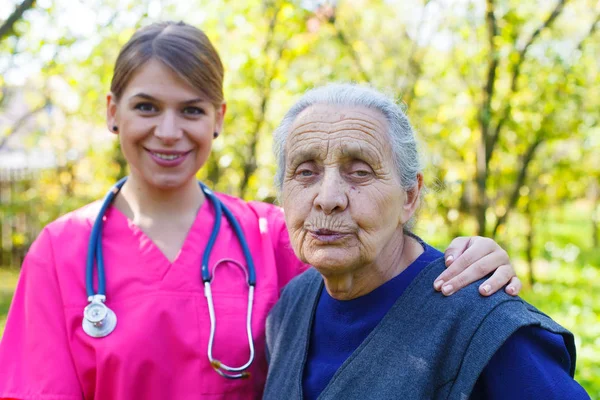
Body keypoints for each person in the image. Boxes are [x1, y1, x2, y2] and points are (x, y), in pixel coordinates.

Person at [0, 22, 521, 400]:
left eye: (192, 110)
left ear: (219, 118)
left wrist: (463, 258)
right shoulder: (62, 249)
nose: (168, 131)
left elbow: (379, 287)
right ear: (112, 111)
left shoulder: (273, 234)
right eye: (145, 106)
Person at [262, 83, 590, 399]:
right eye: (305, 172)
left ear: (410, 196)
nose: (328, 198)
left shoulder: (485, 327)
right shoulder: (292, 306)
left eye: (360, 172)